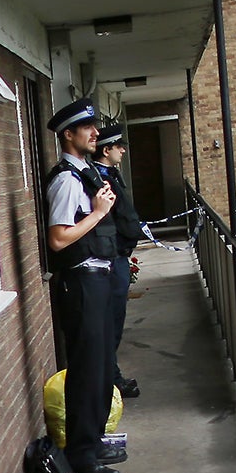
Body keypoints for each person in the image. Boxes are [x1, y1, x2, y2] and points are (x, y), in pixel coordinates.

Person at [44, 96, 120, 473]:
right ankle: (81, 456)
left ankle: (93, 441)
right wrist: (98, 214)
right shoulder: (66, 179)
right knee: (88, 369)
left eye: (95, 127)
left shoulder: (87, 172)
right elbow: (58, 240)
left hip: (99, 278)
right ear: (68, 134)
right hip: (82, 282)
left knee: (103, 365)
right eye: (87, 128)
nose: (96, 133)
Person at [95, 122, 143, 400]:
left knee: (115, 322)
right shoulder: (101, 179)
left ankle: (111, 378)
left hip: (118, 257)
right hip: (112, 259)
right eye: (118, 146)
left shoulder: (110, 174)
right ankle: (110, 382)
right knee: (110, 324)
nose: (123, 150)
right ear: (106, 149)